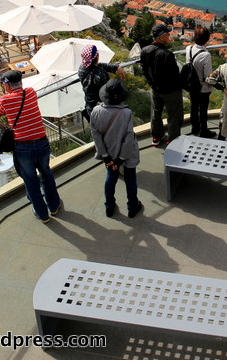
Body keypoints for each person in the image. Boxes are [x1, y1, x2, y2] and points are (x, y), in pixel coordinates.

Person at [0, 69, 61, 223]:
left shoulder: (5, 100)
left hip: (23, 147)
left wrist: (5, 95)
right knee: (46, 173)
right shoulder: (31, 93)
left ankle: (42, 213)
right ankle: (54, 206)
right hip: (42, 141)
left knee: (31, 181)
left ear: (7, 85)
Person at [90, 79, 142, 218]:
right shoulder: (126, 113)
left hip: (108, 152)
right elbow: (129, 137)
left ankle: (109, 206)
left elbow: (96, 135)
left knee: (110, 178)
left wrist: (105, 155)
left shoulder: (95, 111)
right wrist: (121, 159)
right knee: (130, 178)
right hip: (127, 154)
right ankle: (132, 207)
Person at [139, 22, 182, 145]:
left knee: (156, 113)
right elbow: (175, 75)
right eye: (167, 34)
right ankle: (173, 141)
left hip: (155, 88)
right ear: (161, 36)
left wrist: (151, 83)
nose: (169, 36)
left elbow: (144, 70)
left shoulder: (144, 50)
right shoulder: (167, 55)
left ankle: (156, 137)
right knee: (173, 116)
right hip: (170, 91)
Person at [77, 44, 126, 124]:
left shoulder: (82, 68)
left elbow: (98, 65)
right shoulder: (100, 75)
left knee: (98, 133)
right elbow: (108, 91)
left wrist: (115, 67)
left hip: (91, 108)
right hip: (104, 110)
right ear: (97, 57)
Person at [185, 27, 215, 137]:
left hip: (191, 84)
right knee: (203, 109)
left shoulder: (189, 49)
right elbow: (208, 76)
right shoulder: (206, 55)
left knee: (193, 106)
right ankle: (204, 131)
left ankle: (195, 128)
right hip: (203, 87)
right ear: (207, 39)